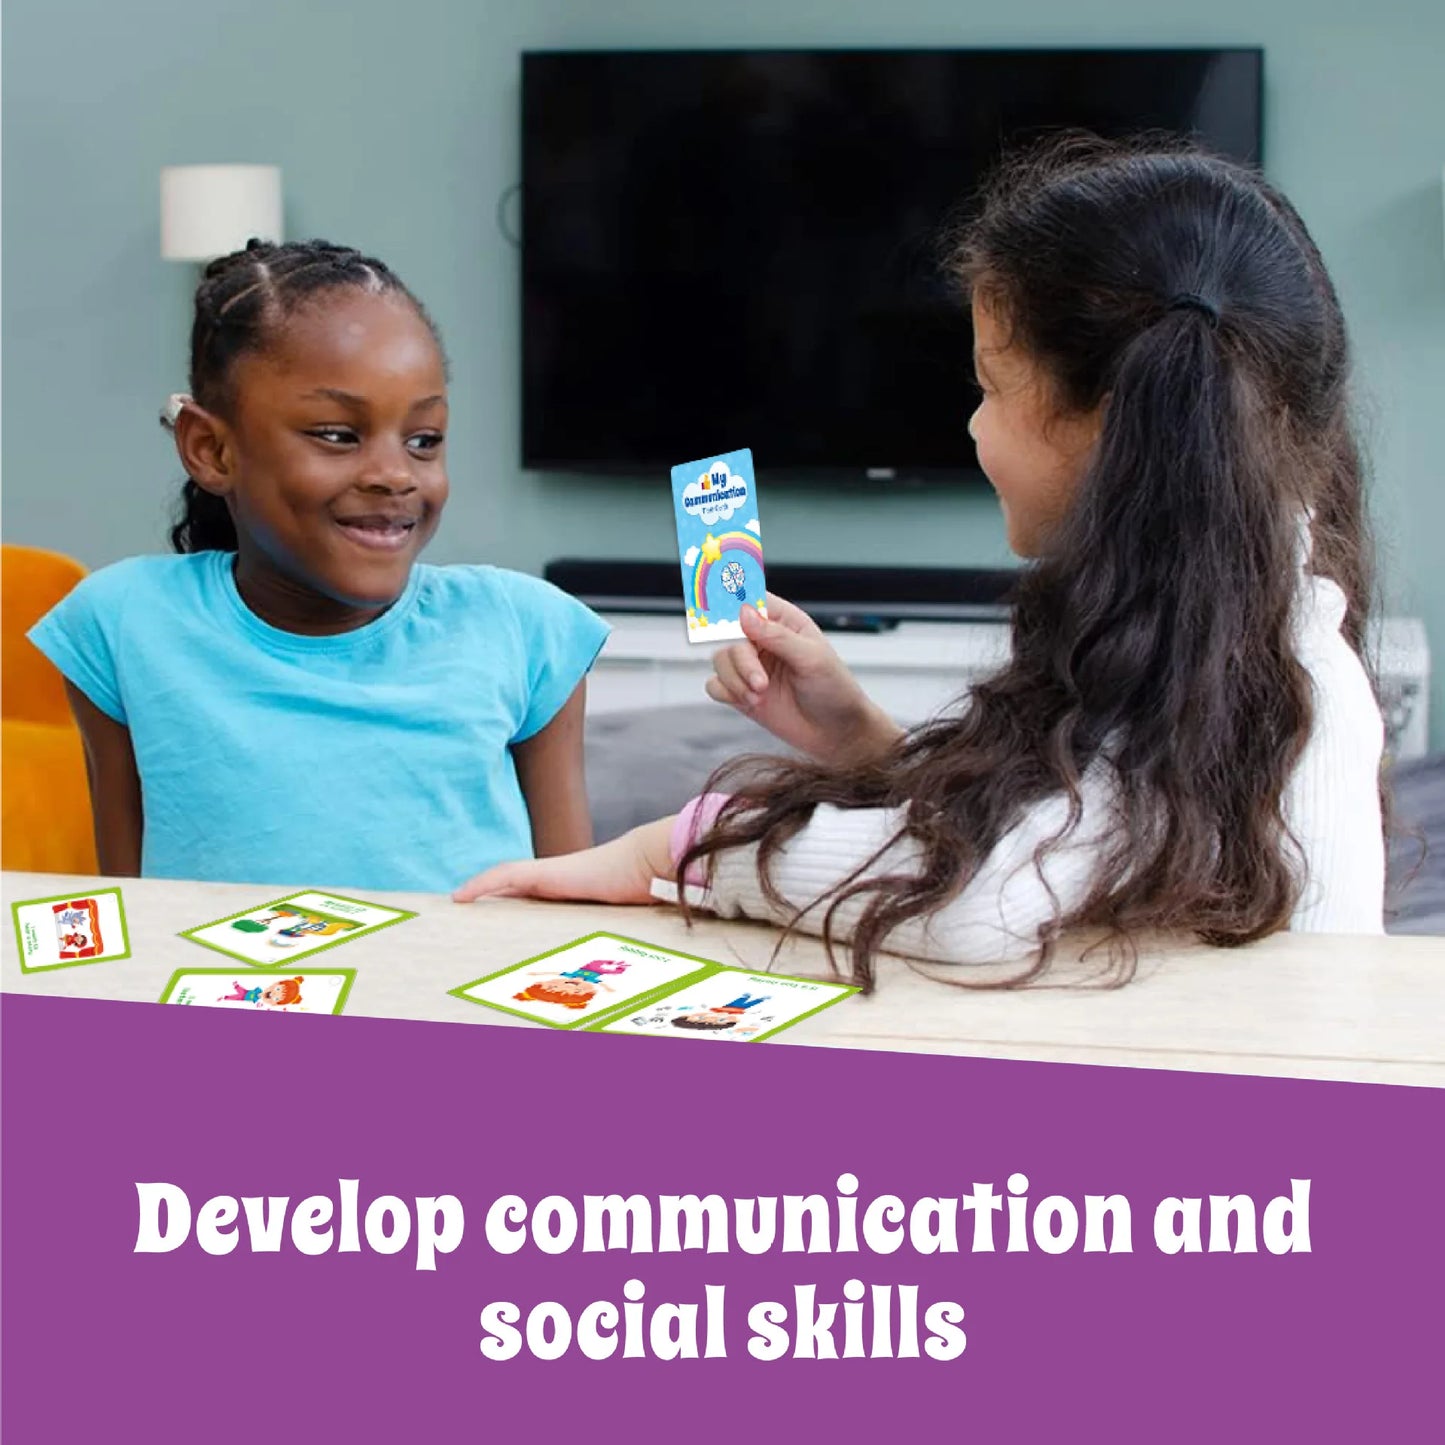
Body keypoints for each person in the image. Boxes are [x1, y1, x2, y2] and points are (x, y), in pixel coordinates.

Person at [454, 135, 1388, 989]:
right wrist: (862, 740)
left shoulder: (1286, 672)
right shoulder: (1239, 629)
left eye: (987, 386)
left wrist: (675, 848)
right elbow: (1075, 831)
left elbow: (983, 899)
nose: (972, 423)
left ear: (1107, 421)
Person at [29, 240, 608, 893]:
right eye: (337, 434)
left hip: (452, 998)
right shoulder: (122, 625)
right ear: (210, 448)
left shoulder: (526, 630)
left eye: (423, 440)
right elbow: (129, 902)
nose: (394, 475)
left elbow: (572, 918)